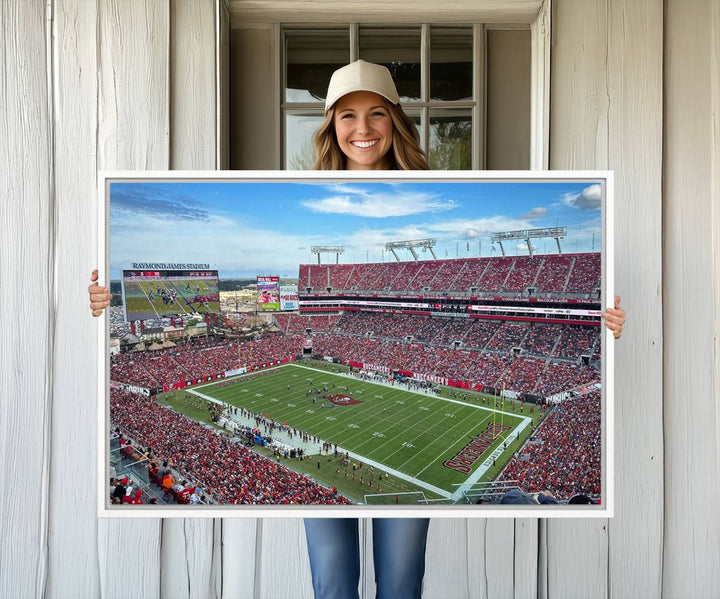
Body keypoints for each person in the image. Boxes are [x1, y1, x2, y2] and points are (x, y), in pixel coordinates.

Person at [87, 59, 626, 599]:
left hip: (395, 317)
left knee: (400, 581)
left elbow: (595, 310)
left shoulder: (436, 193)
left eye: (375, 114)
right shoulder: (309, 195)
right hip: (357, 322)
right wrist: (103, 301)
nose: (362, 129)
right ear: (330, 126)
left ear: (395, 121)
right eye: (347, 116)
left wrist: (603, 319)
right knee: (332, 581)